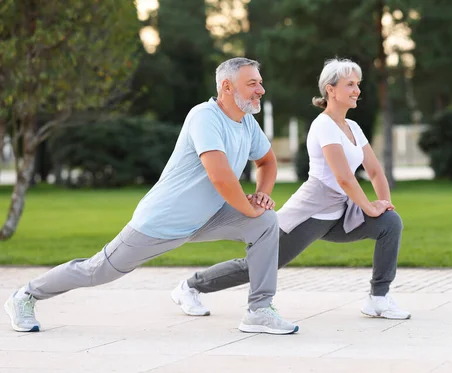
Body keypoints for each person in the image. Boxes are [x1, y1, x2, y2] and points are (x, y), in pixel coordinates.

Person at [4, 57, 299, 335]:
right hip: (162, 221)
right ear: (227, 86)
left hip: (209, 217)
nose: (261, 89)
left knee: (265, 222)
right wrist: (249, 210)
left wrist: (260, 197)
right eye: (252, 84)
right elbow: (220, 177)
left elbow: (267, 162)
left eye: (260, 83)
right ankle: (26, 294)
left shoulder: (247, 122)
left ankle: (259, 310)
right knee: (98, 271)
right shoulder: (204, 116)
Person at [171, 58, 410, 320]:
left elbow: (374, 171)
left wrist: (383, 204)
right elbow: (343, 178)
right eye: (350, 84)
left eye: (358, 84)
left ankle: (378, 298)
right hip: (312, 213)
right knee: (262, 265)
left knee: (390, 222)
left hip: (341, 214)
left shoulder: (352, 127)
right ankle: (190, 287)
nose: (357, 90)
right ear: (330, 89)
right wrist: (369, 207)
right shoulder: (323, 125)